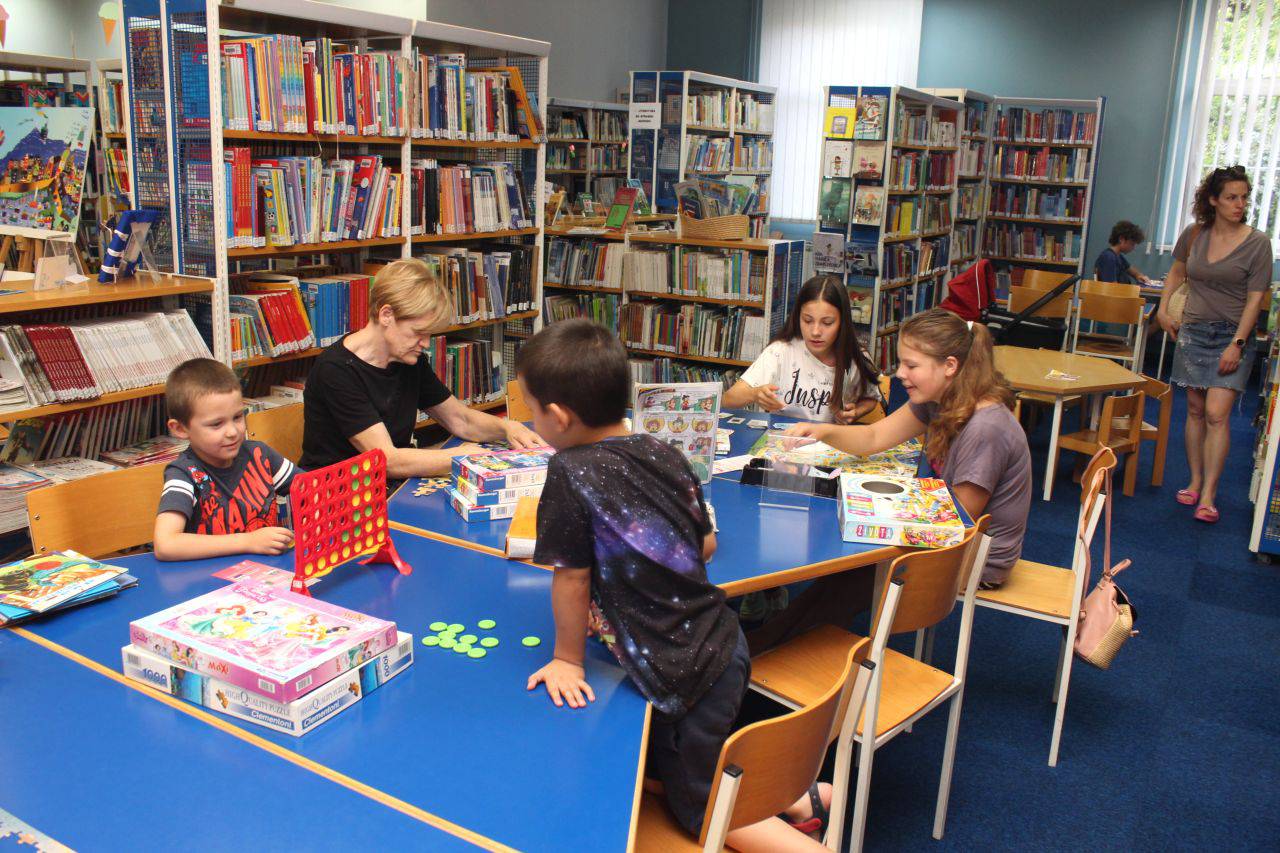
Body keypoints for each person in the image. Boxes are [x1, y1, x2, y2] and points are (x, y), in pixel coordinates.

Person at [517, 319, 832, 851]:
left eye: (531, 410)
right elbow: (705, 544)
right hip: (722, 641)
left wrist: (568, 660)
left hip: (686, 675)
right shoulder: (664, 450)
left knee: (700, 810)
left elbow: (571, 576)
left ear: (559, 416)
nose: (529, 420)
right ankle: (806, 801)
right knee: (687, 768)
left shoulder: (569, 472)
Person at [748, 310, 1032, 653]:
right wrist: (822, 431)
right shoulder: (942, 399)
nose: (899, 374)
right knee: (848, 561)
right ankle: (779, 644)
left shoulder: (986, 428)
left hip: (977, 557)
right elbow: (873, 437)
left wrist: (878, 516)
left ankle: (769, 650)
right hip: (950, 530)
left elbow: (959, 519)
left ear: (950, 366)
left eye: (911, 365)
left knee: (856, 567)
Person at [299, 258, 541, 478]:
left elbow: (460, 419)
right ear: (386, 315)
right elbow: (387, 460)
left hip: (387, 486)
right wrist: (459, 456)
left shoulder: (407, 359)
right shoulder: (336, 370)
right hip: (338, 496)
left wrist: (507, 427)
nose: (425, 343)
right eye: (418, 332)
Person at [1157, 165, 1273, 523]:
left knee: (1216, 414)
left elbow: (1255, 299)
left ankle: (1209, 493)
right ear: (1213, 200)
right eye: (1231, 197)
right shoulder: (1194, 234)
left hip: (1231, 335)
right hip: (1193, 331)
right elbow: (1177, 271)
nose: (1240, 204)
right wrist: (1162, 309)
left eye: (1244, 198)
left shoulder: (1258, 243)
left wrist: (1237, 343)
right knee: (1194, 411)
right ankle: (1194, 481)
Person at [154, 358, 298, 560]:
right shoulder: (184, 473)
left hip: (269, 572)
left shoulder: (260, 455)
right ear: (180, 429)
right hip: (213, 576)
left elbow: (313, 489)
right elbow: (166, 544)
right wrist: (248, 541)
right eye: (216, 424)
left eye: (237, 417)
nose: (232, 432)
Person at [723, 275, 881, 424]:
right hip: (781, 440)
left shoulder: (856, 357)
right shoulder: (780, 351)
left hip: (827, 441)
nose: (815, 332)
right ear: (798, 317)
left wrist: (856, 412)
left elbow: (871, 397)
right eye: (807, 320)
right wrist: (754, 394)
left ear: (842, 322)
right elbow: (727, 400)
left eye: (827, 323)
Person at [1094, 220, 1153, 285]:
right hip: (1116, 291)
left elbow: (1133, 272)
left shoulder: (1118, 256)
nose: (1133, 248)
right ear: (1121, 239)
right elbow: (1112, 287)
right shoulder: (1108, 257)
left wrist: (1140, 276)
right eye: (1132, 244)